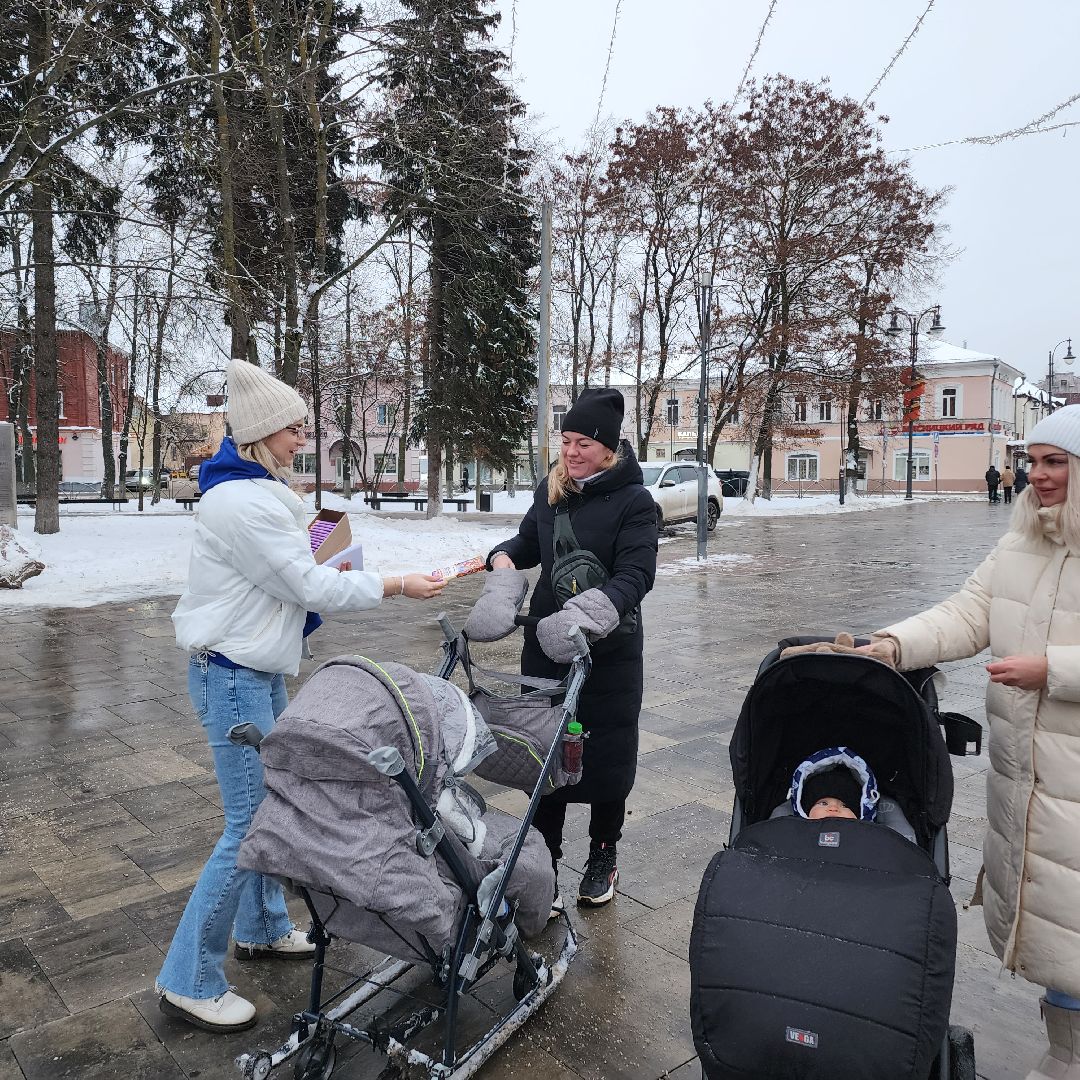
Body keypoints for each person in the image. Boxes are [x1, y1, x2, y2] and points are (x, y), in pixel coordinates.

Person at [158, 360, 446, 1034]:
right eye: (294, 428)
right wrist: (394, 585)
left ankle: (261, 925)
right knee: (248, 824)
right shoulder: (241, 503)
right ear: (262, 434)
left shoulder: (257, 495)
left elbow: (292, 578)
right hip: (230, 676)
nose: (301, 439)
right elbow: (308, 588)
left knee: (274, 808)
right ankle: (187, 978)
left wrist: (326, 551)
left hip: (250, 671)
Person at [857, 404, 1080, 1080]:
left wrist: (1056, 672)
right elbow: (965, 613)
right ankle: (1065, 1054)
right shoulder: (1019, 545)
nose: (1036, 475)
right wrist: (894, 645)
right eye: (1032, 461)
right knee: (1058, 936)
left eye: (1054, 463)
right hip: (1030, 785)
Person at [486, 388, 657, 912]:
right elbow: (527, 544)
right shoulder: (551, 491)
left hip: (610, 649)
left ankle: (603, 853)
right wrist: (501, 559)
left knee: (607, 755)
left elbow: (636, 575)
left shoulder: (635, 502)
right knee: (547, 751)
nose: (572, 451)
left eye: (584, 442)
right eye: (566, 440)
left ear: (608, 449)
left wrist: (585, 618)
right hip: (545, 646)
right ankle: (546, 858)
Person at [789, 748, 879, 823]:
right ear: (805, 810)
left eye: (844, 806)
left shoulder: (868, 838)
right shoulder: (793, 835)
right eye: (823, 803)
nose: (833, 808)